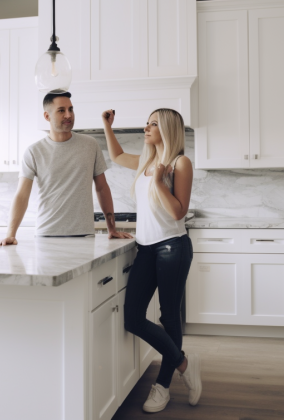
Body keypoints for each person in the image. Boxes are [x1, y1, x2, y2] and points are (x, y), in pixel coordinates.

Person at [101, 107, 201, 413]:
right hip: (145, 248)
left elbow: (178, 212)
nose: (146, 128)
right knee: (132, 318)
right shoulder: (146, 161)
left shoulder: (180, 163)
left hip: (172, 247)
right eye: (146, 123)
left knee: (169, 317)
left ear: (168, 129)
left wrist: (159, 182)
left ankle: (163, 387)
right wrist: (107, 126)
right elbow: (117, 157)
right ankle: (184, 363)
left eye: (153, 124)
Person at [0, 92, 133, 244]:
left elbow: (102, 188)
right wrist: (11, 234)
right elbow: (22, 195)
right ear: (47, 116)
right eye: (61, 110)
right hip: (46, 236)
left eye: (71, 109)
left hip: (84, 235)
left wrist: (111, 229)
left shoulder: (90, 145)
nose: (69, 115)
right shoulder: (34, 151)